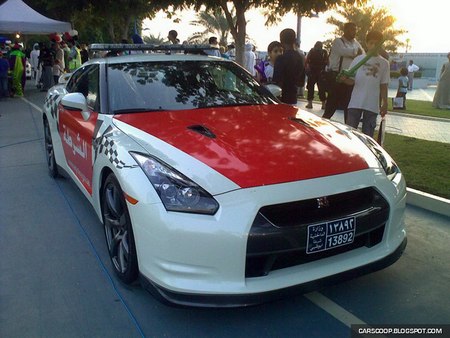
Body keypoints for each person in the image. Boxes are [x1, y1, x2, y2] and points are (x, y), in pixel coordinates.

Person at [343, 31, 390, 138]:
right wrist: (344, 79)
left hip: (372, 105)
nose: (373, 46)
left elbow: (384, 85)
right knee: (350, 135)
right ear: (367, 43)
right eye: (371, 43)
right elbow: (351, 81)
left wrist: (385, 103)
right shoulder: (358, 60)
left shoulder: (384, 63)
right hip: (355, 103)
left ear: (381, 45)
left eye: (376, 44)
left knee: (367, 137)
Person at [322, 22, 363, 122]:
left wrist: (357, 53)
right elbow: (346, 51)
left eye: (355, 30)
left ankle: (348, 128)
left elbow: (362, 54)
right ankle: (321, 126)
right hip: (337, 78)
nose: (354, 32)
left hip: (349, 80)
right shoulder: (338, 42)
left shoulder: (356, 43)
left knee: (348, 107)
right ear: (345, 30)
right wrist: (355, 52)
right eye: (352, 29)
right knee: (331, 106)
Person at [273, 28, 305, 105]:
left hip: (281, 98)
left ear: (281, 41)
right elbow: (301, 82)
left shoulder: (281, 59)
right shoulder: (300, 57)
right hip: (293, 97)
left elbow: (276, 80)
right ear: (294, 40)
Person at [305, 41, 328, 109]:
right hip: (321, 72)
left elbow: (307, 60)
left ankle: (310, 104)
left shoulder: (312, 50)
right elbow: (327, 61)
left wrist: (307, 68)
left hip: (312, 72)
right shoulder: (324, 52)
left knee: (310, 88)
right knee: (321, 89)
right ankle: (323, 104)